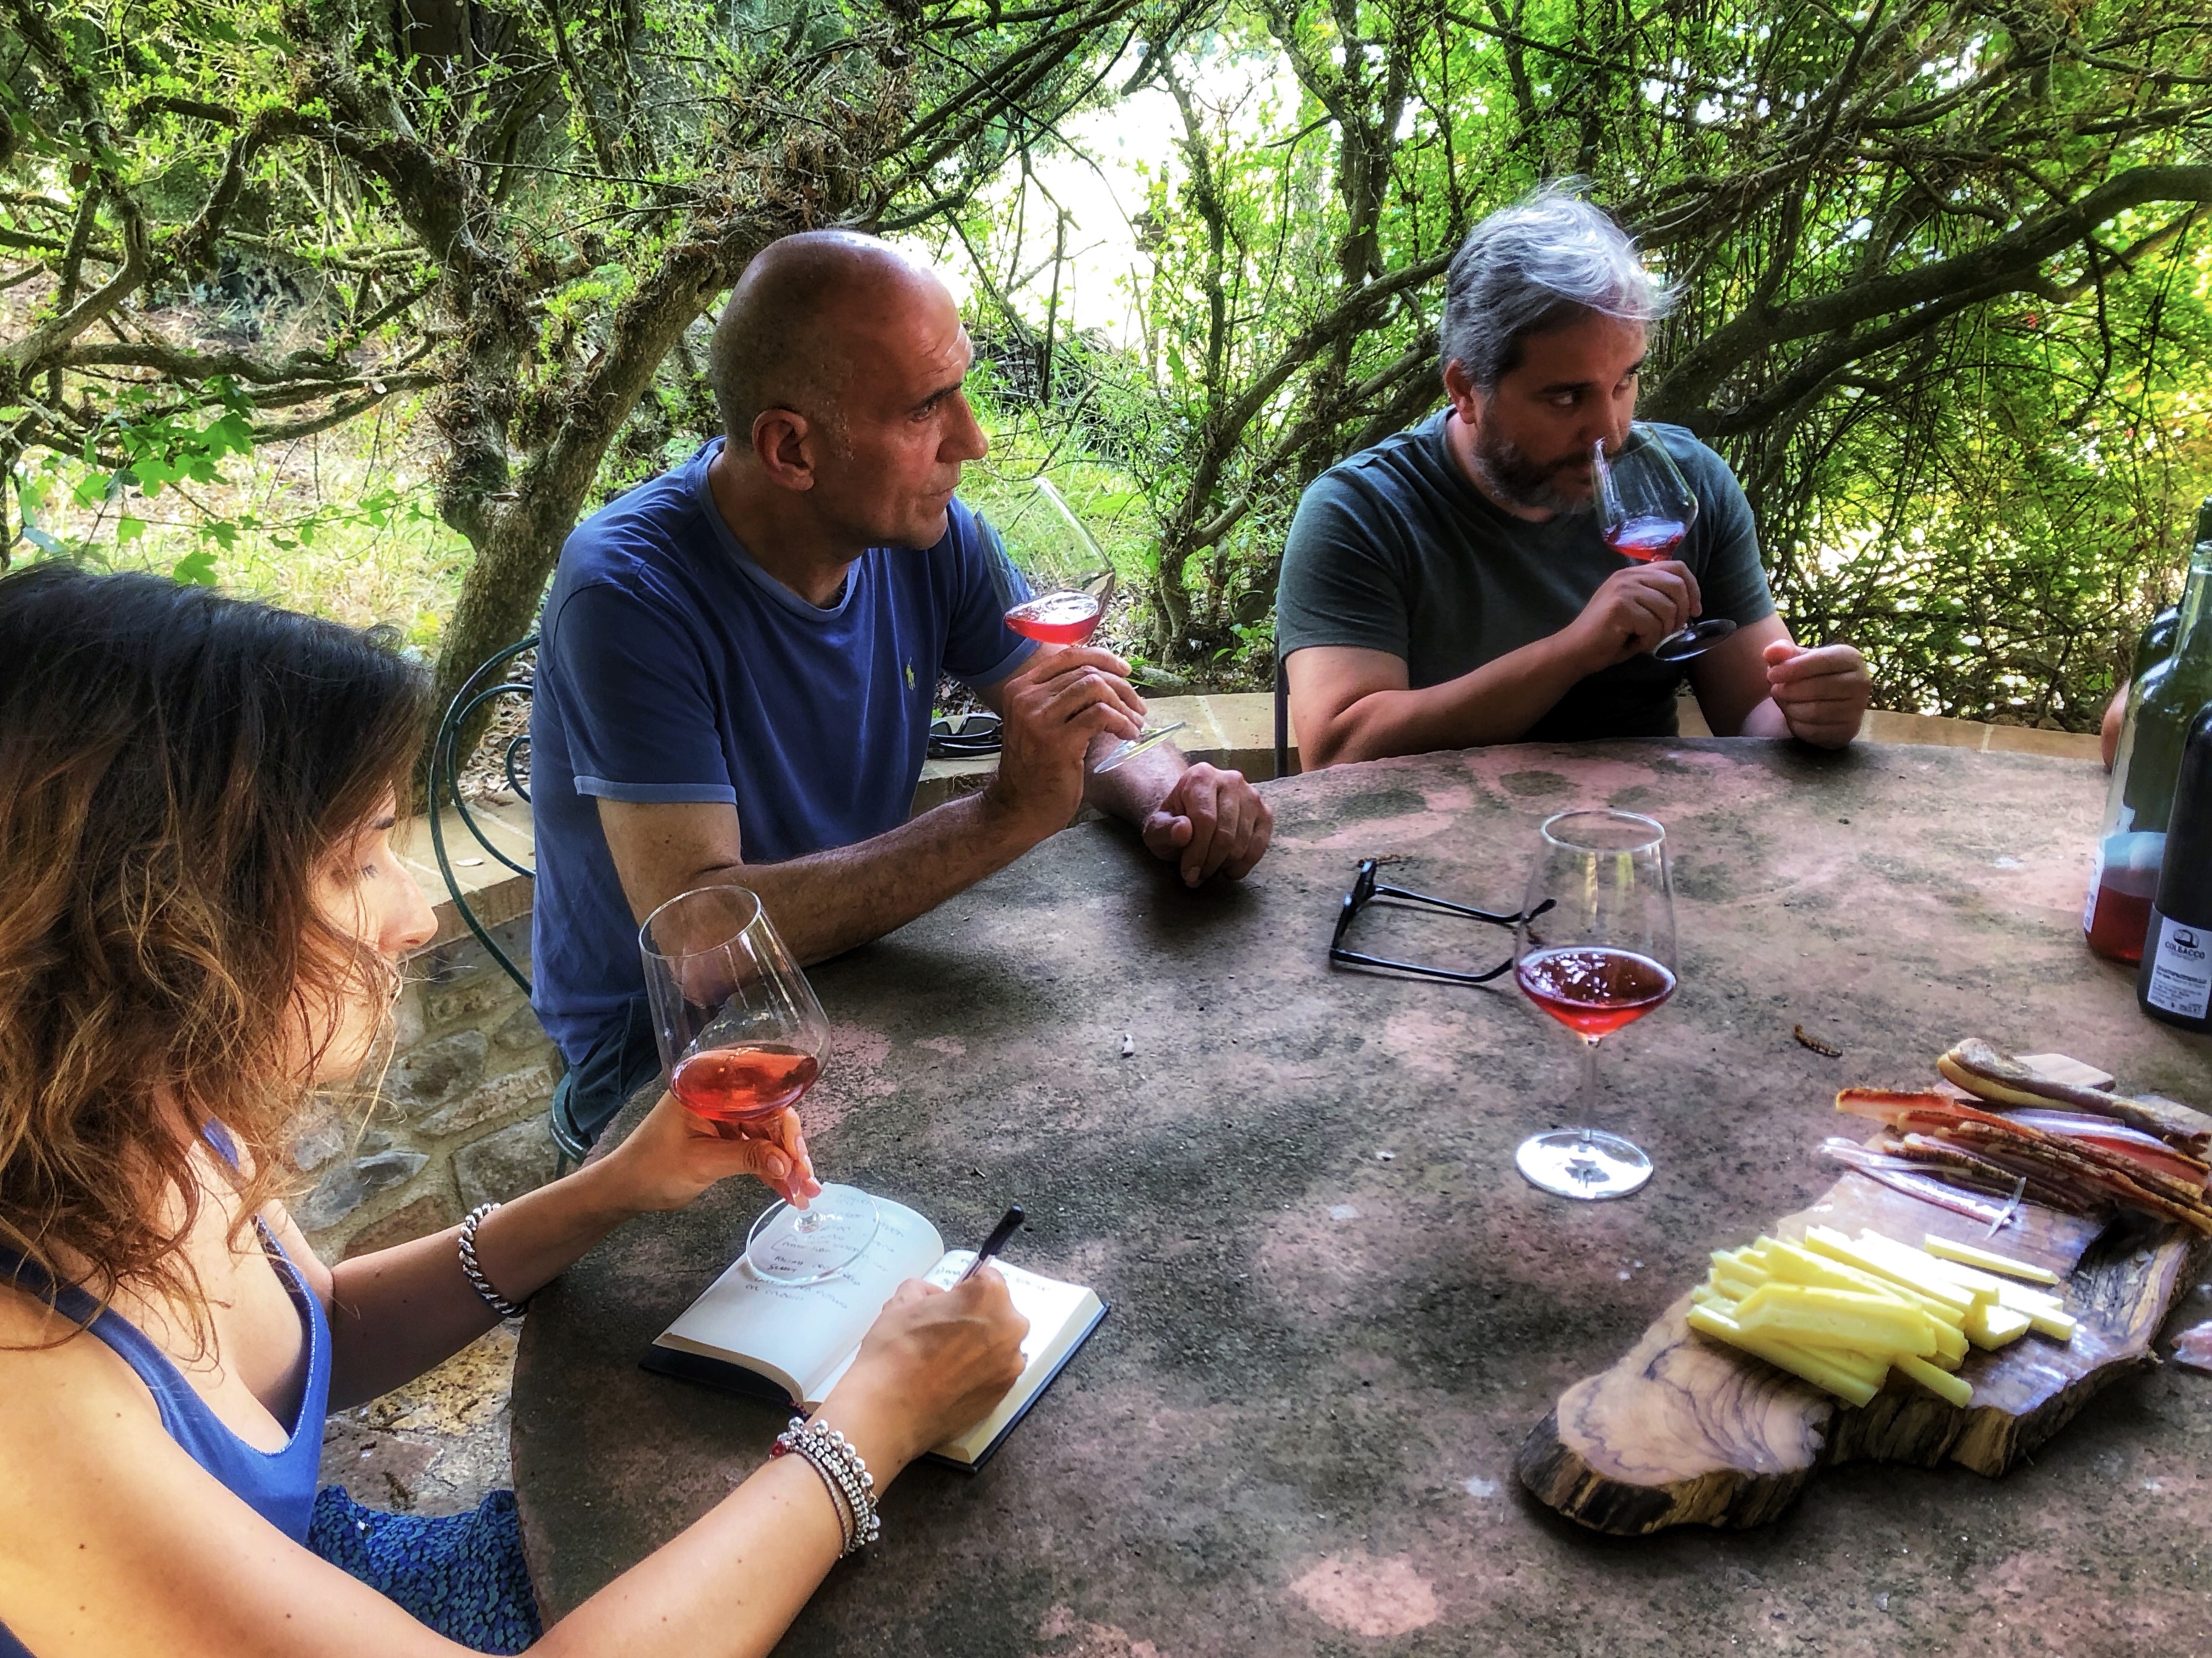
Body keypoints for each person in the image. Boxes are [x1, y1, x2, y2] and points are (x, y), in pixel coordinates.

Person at [0, 565, 1029, 1657]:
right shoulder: (27, 1389)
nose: (413, 916)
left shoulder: (155, 1123)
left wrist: (613, 1188)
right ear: (145, 920)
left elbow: (318, 1335)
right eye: (356, 862)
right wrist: (872, 1422)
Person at [531, 230, 1274, 1147]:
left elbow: (1073, 717)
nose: (973, 440)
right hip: (658, 1053)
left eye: (960, 389)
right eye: (925, 408)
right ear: (790, 449)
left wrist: (1175, 794)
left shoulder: (930, 534)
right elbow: (699, 941)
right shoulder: (629, 591)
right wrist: (1001, 817)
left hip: (851, 972)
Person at [1277, 187, 1874, 767]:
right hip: (1426, 835)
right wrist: (1572, 652)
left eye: (1623, 382)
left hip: (1645, 829)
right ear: (1466, 390)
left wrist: (1810, 712)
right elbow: (1340, 753)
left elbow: (1753, 716)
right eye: (1566, 397)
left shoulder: (1691, 482)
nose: (1609, 434)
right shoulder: (1362, 511)